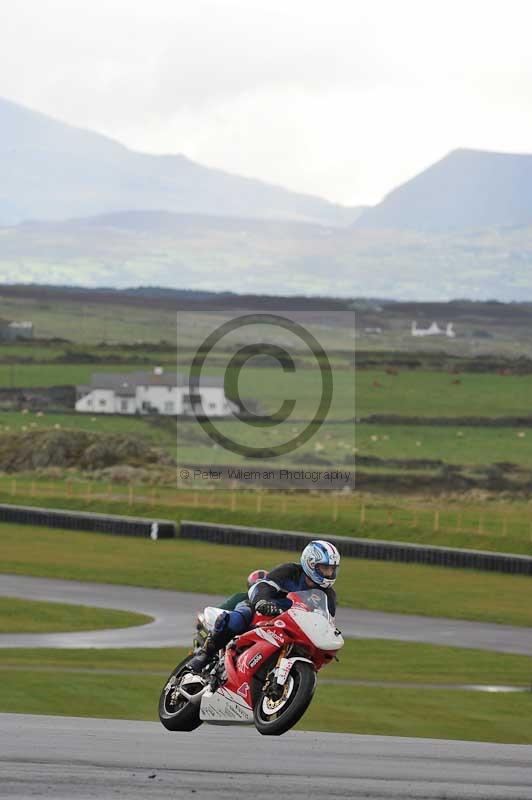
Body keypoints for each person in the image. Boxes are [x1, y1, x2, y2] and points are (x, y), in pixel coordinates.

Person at [188, 541, 340, 672]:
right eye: (325, 568)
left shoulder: (329, 595)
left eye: (332, 569)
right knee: (236, 619)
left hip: (290, 627)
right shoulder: (290, 572)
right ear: (311, 563)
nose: (329, 573)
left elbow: (326, 620)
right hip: (263, 611)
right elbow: (262, 587)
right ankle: (205, 655)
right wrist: (262, 601)